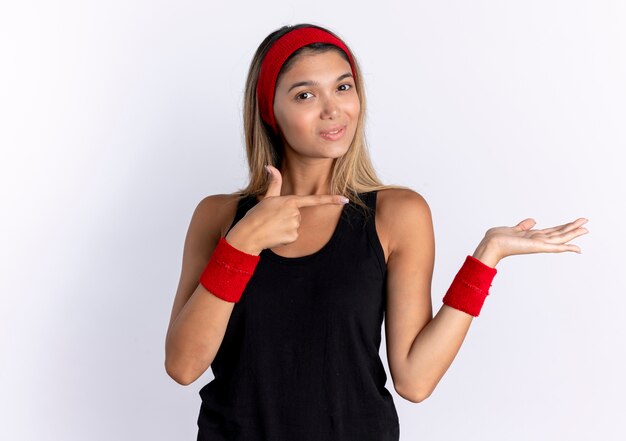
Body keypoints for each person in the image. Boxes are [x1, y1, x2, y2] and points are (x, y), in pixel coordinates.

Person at [164, 23, 589, 441]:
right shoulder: (219, 216)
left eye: (343, 87)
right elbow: (183, 366)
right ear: (268, 110)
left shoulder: (397, 214)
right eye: (305, 94)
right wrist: (244, 243)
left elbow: (414, 380)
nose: (332, 109)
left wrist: (487, 256)